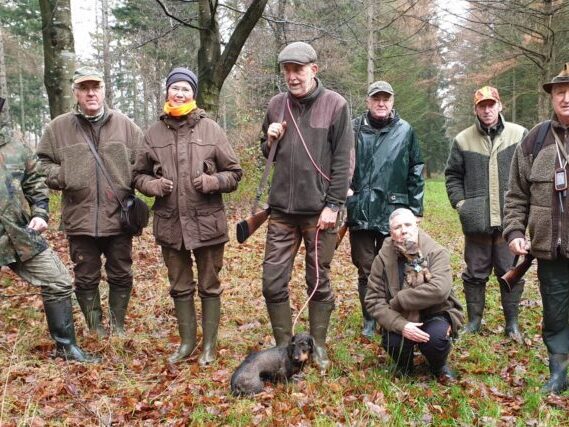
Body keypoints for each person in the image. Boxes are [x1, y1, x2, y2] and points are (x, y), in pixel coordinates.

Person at [133, 67, 242, 365]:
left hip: (207, 222)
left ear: (193, 94)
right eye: (175, 88)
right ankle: (186, 343)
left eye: (185, 89)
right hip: (171, 224)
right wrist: (153, 186)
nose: (179, 94)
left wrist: (212, 182)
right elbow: (137, 175)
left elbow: (234, 173)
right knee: (179, 286)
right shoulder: (152, 133)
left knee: (209, 285)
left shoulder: (212, 130)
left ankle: (209, 345)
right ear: (167, 91)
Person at [260, 42, 353, 371]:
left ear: (314, 69)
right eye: (286, 70)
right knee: (272, 282)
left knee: (318, 281)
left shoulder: (336, 105)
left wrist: (334, 205)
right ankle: (285, 347)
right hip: (282, 212)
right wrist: (269, 138)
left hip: (320, 212)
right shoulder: (275, 105)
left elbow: (344, 161)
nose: (291, 76)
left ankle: (318, 346)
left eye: (297, 69)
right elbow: (266, 152)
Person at [37, 67, 143, 338]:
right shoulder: (58, 128)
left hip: (118, 217)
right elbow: (40, 164)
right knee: (85, 277)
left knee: (121, 273)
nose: (91, 93)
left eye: (95, 87)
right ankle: (96, 328)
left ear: (104, 90)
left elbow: (144, 163)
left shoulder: (126, 126)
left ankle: (117, 326)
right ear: (76, 93)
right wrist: (63, 175)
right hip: (80, 218)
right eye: (84, 88)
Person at [0, 97, 96, 362]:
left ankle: (67, 349)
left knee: (58, 280)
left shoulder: (16, 148)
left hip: (16, 234)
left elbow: (36, 185)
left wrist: (40, 213)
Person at [503, 63, 569, 394]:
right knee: (556, 316)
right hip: (549, 250)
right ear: (552, 97)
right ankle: (558, 374)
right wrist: (515, 233)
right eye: (560, 92)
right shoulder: (534, 139)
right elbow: (515, 195)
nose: (566, 97)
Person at [445, 86, 527, 341]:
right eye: (482, 105)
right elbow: (452, 176)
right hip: (476, 222)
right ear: (476, 109)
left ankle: (512, 324)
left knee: (511, 272)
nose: (487, 109)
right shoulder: (463, 139)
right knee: (474, 274)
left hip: (509, 222)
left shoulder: (520, 134)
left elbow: (529, 173)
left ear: (500, 106)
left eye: (492, 104)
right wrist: (461, 204)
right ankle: (474, 321)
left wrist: (527, 208)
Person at [346, 80, 424, 338]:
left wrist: (415, 209)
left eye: (386, 98)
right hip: (361, 209)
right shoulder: (353, 128)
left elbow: (416, 169)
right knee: (365, 268)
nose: (381, 103)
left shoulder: (406, 130)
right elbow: (338, 161)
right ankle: (370, 317)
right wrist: (344, 191)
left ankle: (396, 313)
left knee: (396, 265)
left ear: (393, 101)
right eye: (376, 98)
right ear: (368, 101)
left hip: (395, 210)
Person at [365, 208, 463, 382]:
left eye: (408, 225)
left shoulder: (436, 252)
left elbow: (440, 289)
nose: (404, 230)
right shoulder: (382, 258)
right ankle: (404, 365)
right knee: (394, 343)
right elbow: (373, 300)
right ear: (391, 232)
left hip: (435, 313)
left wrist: (400, 300)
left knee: (435, 340)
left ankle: (438, 366)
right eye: (397, 227)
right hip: (400, 316)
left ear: (416, 226)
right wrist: (401, 325)